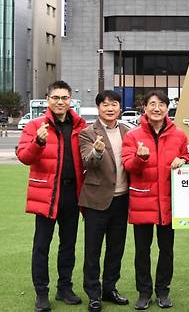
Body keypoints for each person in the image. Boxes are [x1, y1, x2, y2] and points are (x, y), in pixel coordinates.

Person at [16, 80, 87, 312]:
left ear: (70, 101)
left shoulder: (80, 126)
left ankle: (64, 288)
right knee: (41, 246)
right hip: (47, 194)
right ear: (48, 100)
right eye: (55, 97)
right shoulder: (36, 125)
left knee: (68, 245)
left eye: (64, 98)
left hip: (72, 194)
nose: (60, 102)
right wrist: (38, 141)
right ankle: (41, 293)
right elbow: (24, 157)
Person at [121, 90, 189, 310]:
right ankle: (144, 292)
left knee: (166, 250)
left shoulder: (179, 135)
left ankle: (163, 291)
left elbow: (187, 158)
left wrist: (183, 159)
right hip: (143, 201)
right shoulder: (133, 136)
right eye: (152, 104)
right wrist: (141, 159)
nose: (157, 108)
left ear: (168, 107)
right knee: (142, 251)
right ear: (144, 108)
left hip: (169, 203)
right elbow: (128, 166)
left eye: (161, 103)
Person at [78, 90, 130, 312]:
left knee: (116, 248)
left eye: (114, 104)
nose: (110, 108)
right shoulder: (88, 133)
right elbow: (87, 161)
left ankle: (110, 288)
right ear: (98, 107)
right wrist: (97, 152)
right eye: (105, 104)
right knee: (93, 250)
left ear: (120, 107)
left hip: (122, 199)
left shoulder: (129, 131)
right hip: (96, 201)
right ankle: (93, 293)